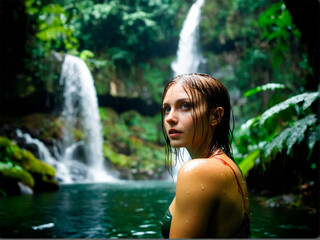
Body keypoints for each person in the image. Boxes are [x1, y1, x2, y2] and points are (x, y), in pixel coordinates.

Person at [160, 73, 250, 238]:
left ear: (216, 116)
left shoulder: (199, 171)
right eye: (167, 108)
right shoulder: (227, 165)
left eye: (185, 106)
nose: (170, 118)